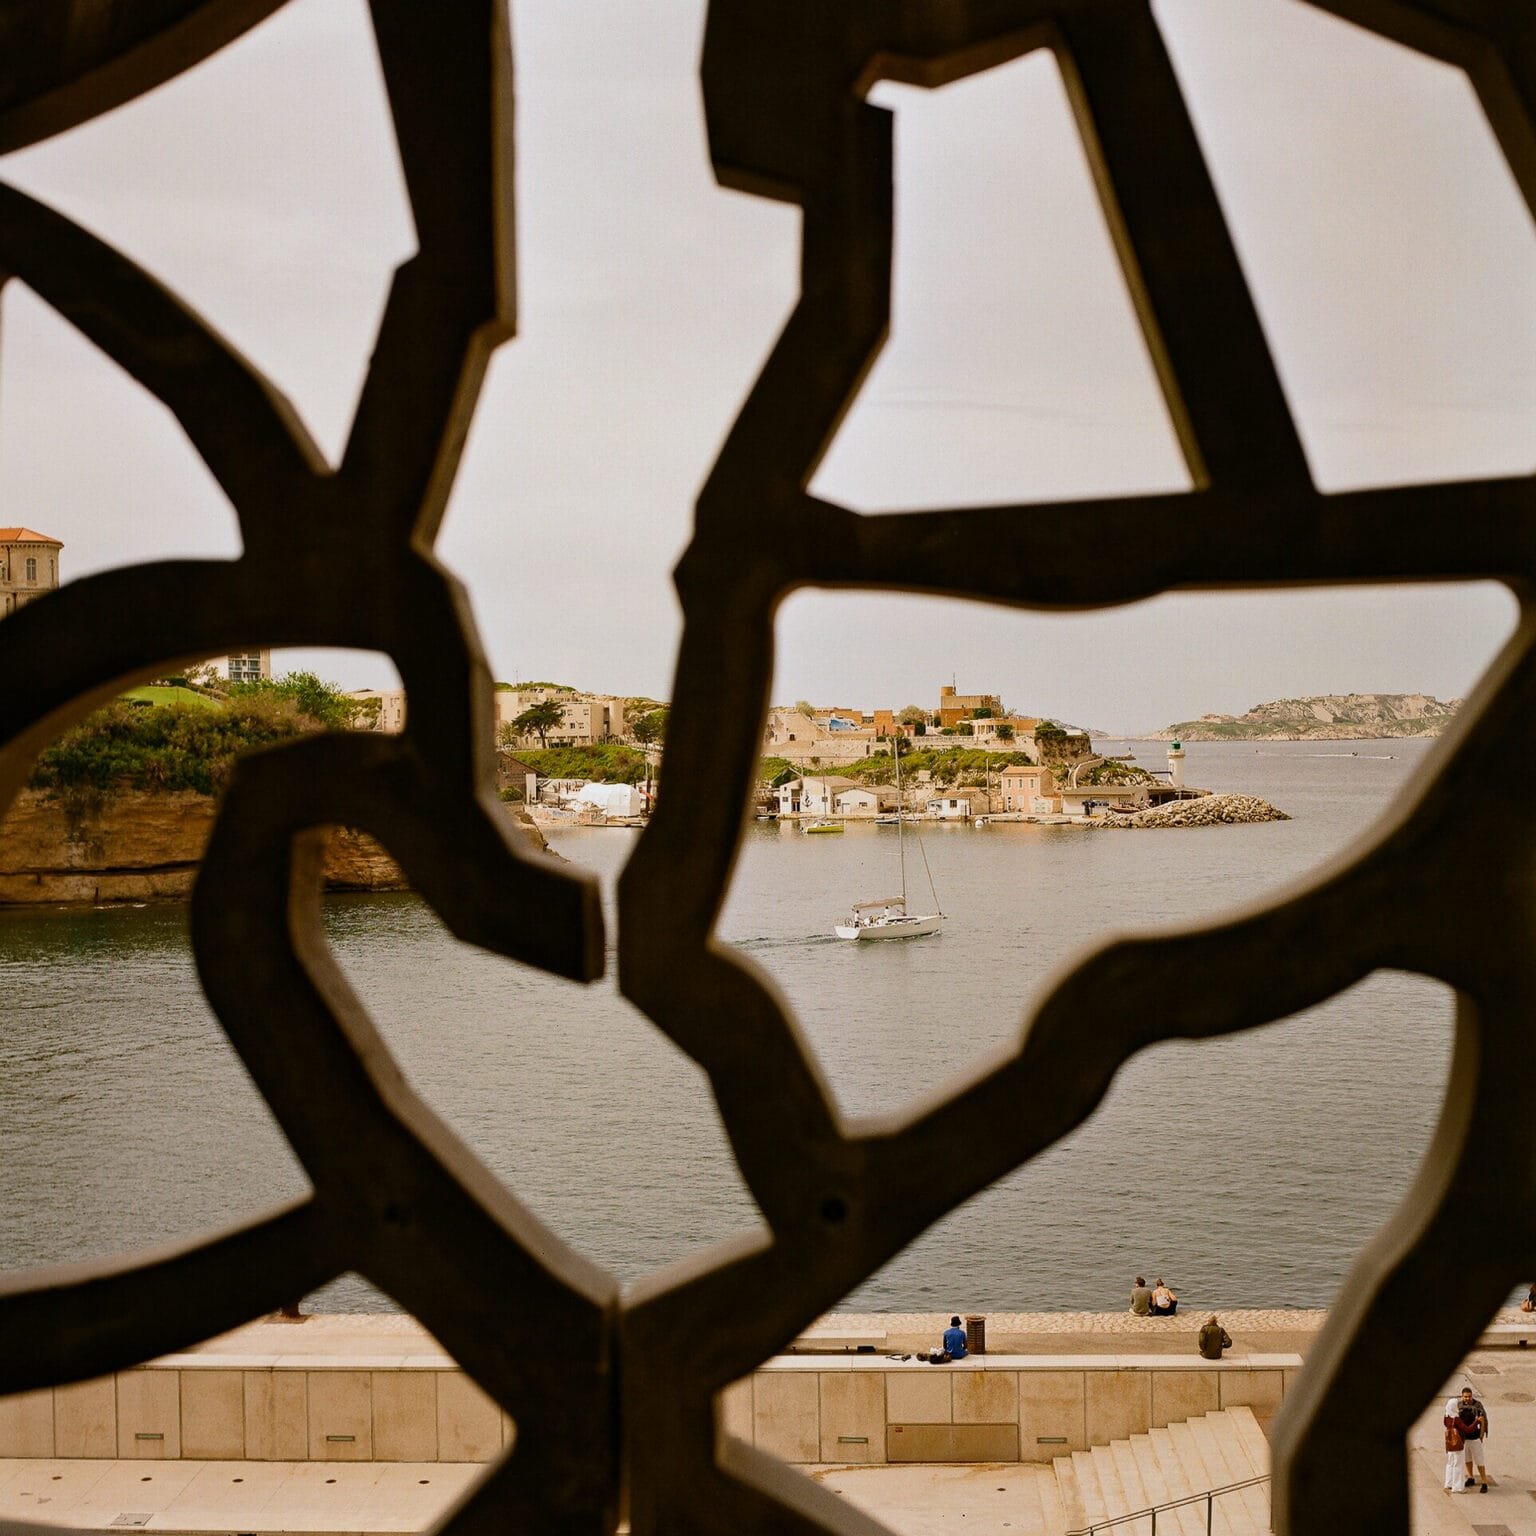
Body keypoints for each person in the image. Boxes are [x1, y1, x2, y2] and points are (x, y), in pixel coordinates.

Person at [1447, 1386, 1489, 1491]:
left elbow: (1483, 1420)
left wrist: (1482, 1435)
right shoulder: (1459, 1405)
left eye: (1469, 1396)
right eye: (1465, 1396)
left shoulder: (1478, 1405)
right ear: (1462, 1396)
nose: (1467, 1398)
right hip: (1464, 1439)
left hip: (1475, 1438)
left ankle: (1484, 1482)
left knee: (1479, 1461)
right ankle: (1470, 1477)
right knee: (1467, 1460)